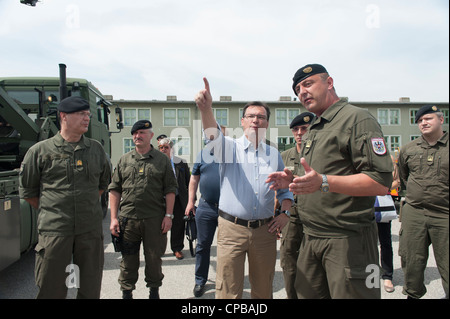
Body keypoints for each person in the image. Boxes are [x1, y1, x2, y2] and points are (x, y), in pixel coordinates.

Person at [266, 64, 393, 299]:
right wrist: (293, 181)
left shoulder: (356, 119)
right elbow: (320, 175)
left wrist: (324, 182)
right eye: (297, 89)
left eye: (308, 84)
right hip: (311, 236)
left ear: (329, 83)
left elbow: (380, 182)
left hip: (347, 239)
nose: (302, 92)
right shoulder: (315, 126)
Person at [195, 78, 294, 299]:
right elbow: (213, 135)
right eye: (251, 116)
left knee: (263, 289)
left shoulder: (273, 154)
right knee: (229, 290)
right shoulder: (229, 148)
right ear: (242, 121)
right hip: (232, 230)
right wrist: (206, 109)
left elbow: (285, 191)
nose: (256, 121)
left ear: (267, 123)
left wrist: (286, 212)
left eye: (261, 117)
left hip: (265, 232)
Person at [19, 96, 111, 299]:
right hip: (55, 232)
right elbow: (28, 192)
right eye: (81, 114)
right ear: (64, 117)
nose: (87, 118)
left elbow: (103, 184)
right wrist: (56, 211)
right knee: (50, 288)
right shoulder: (40, 151)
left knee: (90, 287)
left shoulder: (96, 150)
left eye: (88, 114)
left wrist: (82, 207)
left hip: (89, 231)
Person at [109, 120, 177, 299]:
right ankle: (127, 292)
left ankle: (154, 292)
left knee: (154, 259)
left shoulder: (162, 160)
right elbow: (114, 189)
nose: (137, 136)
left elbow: (170, 189)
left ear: (151, 136)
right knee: (128, 260)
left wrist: (168, 215)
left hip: (154, 220)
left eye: (142, 133)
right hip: (128, 220)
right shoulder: (124, 160)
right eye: (135, 133)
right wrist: (114, 218)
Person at [398, 105, 449, 299]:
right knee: (411, 261)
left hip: (445, 213)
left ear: (441, 120)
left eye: (428, 118)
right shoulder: (408, 149)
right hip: (414, 212)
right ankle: (413, 294)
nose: (423, 123)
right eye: (419, 121)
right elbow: (404, 178)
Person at [185, 125, 226, 297]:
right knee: (202, 245)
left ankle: (226, 280)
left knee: (228, 248)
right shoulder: (202, 154)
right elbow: (194, 179)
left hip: (228, 209)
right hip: (206, 207)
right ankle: (200, 280)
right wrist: (190, 202)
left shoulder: (231, 154)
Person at [278, 111, 314, 299]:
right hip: (290, 216)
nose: (299, 133)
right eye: (296, 129)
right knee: (288, 260)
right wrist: (275, 216)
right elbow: (275, 189)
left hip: (314, 216)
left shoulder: (318, 155)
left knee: (313, 264)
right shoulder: (283, 156)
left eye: (304, 128)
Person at [158, 137, 191, 260]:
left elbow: (188, 183)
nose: (163, 150)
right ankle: (160, 249)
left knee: (178, 225)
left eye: (166, 147)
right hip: (161, 200)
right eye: (161, 148)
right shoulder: (156, 163)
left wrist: (190, 200)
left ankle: (177, 248)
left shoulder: (181, 163)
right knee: (160, 224)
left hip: (178, 199)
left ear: (171, 149)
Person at [377, 154, 400, 293]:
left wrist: (382, 189)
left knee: (385, 242)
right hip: (363, 204)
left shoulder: (388, 158)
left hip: (381, 204)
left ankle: (387, 276)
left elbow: (397, 180)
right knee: (364, 243)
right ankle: (369, 274)